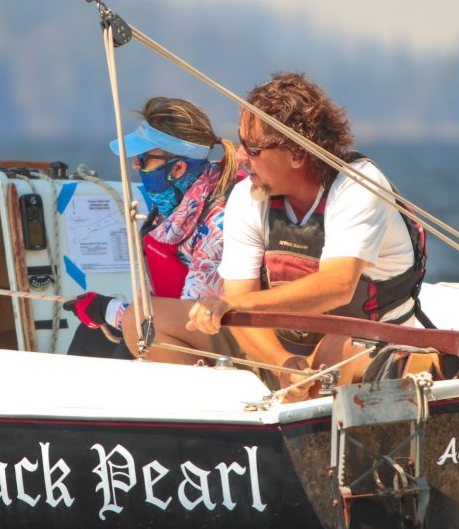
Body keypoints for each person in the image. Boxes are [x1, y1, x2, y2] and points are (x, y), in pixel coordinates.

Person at [172, 72, 429, 396]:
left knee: (329, 358)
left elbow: (337, 287)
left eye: (252, 148)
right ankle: (206, 431)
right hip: (287, 346)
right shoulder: (247, 197)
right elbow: (237, 302)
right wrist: (283, 363)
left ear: (296, 153)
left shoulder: (357, 185)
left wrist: (237, 305)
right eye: (240, 142)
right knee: (149, 321)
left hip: (366, 340)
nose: (239, 156)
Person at [65, 96, 237, 358]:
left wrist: (106, 310)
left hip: (213, 339)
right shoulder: (169, 213)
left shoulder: (218, 226)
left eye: (143, 159)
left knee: (123, 351)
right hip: (175, 328)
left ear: (177, 168)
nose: (135, 165)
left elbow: (188, 319)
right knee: (89, 337)